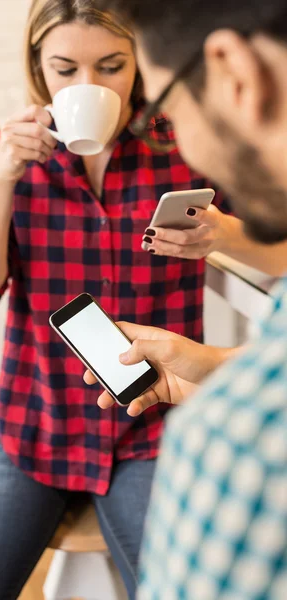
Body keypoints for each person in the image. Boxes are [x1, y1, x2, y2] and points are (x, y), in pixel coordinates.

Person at [86, 0, 287, 597]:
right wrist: (220, 369)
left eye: (164, 108)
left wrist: (229, 398)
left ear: (235, 75)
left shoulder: (235, 444)